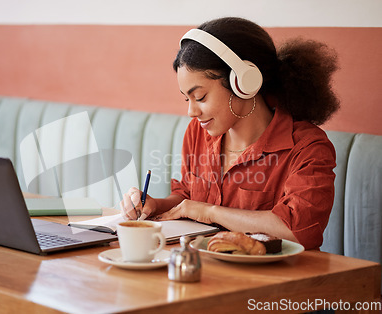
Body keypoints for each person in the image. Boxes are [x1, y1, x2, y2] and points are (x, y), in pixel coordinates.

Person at [119, 17, 340, 250]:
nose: (191, 111)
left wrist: (209, 212)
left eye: (201, 97)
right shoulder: (198, 132)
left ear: (243, 82)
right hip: (206, 269)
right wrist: (156, 205)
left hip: (275, 280)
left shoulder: (307, 147)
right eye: (187, 98)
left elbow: (297, 231)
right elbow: (186, 195)